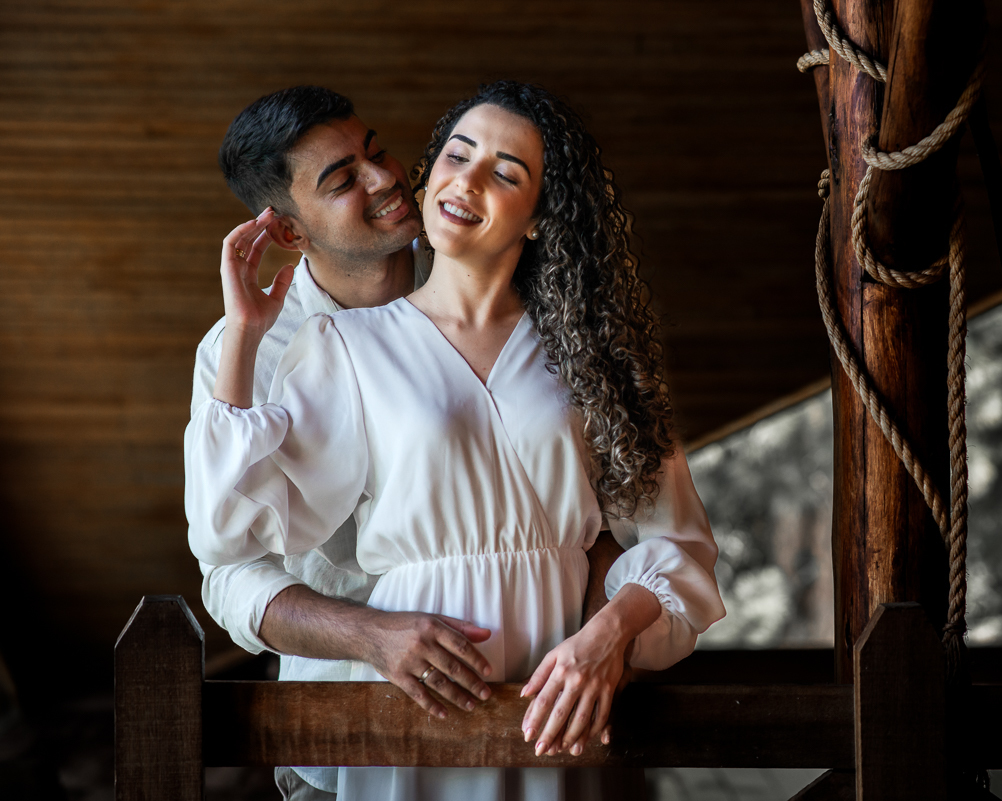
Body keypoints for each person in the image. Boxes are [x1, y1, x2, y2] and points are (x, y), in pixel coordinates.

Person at [186, 81, 725, 800]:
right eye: (344, 178)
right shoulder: (276, 348)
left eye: (377, 152)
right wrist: (374, 634)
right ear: (289, 230)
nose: (386, 179)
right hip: (364, 702)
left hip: (557, 695)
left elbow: (649, 528)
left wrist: (606, 632)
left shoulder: (566, 332)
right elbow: (228, 557)